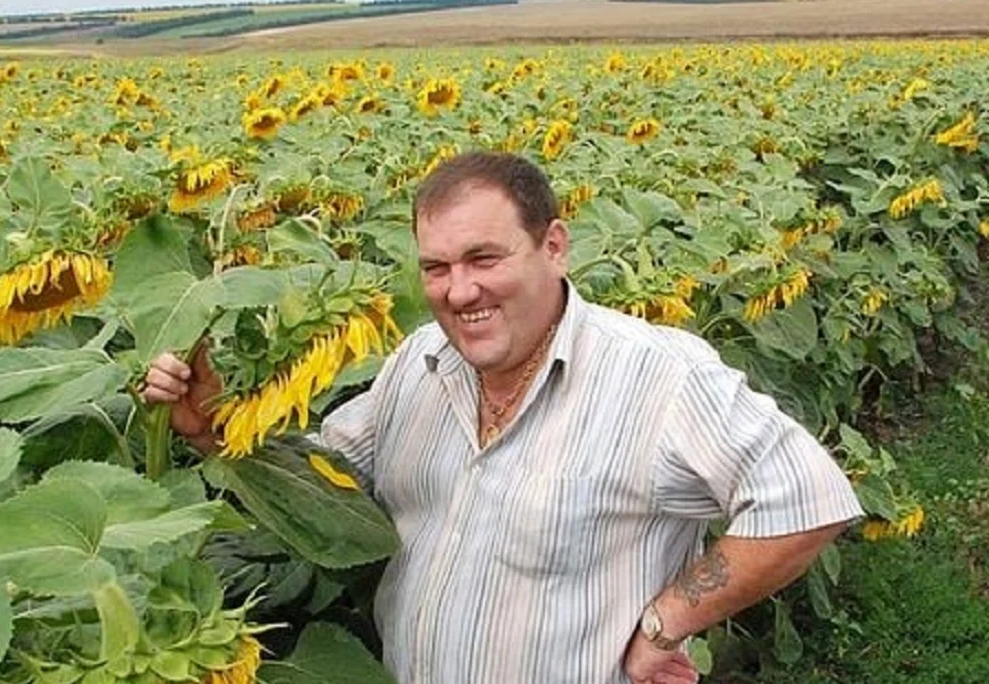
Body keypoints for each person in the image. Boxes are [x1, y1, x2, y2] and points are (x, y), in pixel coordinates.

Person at [143, 151, 865, 684]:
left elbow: (806, 498)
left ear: (554, 246)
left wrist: (665, 622)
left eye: (484, 258)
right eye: (436, 268)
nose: (459, 291)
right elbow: (330, 486)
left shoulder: (655, 376)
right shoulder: (420, 362)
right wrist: (215, 427)